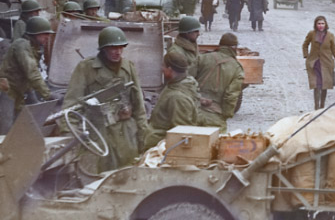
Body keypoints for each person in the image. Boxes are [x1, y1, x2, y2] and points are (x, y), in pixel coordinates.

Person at [62, 26, 152, 173]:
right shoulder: (86, 68)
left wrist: (143, 135)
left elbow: (138, 104)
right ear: (103, 49)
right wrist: (70, 137)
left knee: (128, 174)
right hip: (99, 132)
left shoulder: (128, 67)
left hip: (126, 132)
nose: (118, 52)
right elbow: (71, 103)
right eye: (112, 48)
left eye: (120, 47)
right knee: (101, 176)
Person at [144, 53, 200, 149]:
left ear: (170, 70)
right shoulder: (175, 85)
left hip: (160, 146)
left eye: (163, 66)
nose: (162, 69)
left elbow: (181, 134)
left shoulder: (177, 97)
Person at [0, 15, 53, 115]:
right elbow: (32, 72)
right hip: (7, 90)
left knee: (29, 119)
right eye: (45, 34)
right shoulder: (22, 45)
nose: (48, 37)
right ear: (35, 34)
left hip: (21, 90)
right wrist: (48, 94)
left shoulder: (34, 48)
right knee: (6, 125)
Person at [194, 32, 244, 131]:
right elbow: (231, 96)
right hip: (215, 113)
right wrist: (225, 115)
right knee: (217, 144)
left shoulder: (203, 58)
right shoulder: (237, 68)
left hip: (193, 111)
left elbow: (188, 79)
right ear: (234, 47)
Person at [303, 15, 335, 110]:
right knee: (316, 85)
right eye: (319, 24)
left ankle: (322, 107)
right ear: (316, 25)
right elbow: (305, 44)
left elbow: (334, 49)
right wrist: (306, 56)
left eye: (322, 24)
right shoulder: (312, 34)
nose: (320, 25)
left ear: (325, 24)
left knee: (325, 85)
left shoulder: (330, 35)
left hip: (326, 64)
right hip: (315, 63)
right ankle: (316, 107)